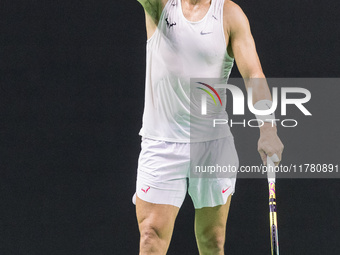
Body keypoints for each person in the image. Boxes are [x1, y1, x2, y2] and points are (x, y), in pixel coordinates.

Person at [133, 0, 284, 254]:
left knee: (211, 242)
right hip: (161, 143)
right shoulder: (160, 6)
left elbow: (253, 74)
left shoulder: (229, 15)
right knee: (150, 236)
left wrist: (268, 127)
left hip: (212, 145)